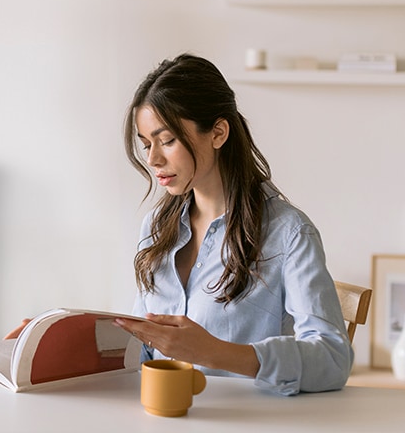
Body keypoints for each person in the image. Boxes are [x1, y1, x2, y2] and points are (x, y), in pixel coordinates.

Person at [112, 53, 352, 395]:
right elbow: (143, 348)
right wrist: (59, 342)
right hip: (163, 416)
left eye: (167, 141)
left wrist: (216, 353)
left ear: (218, 133)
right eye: (147, 144)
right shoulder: (156, 227)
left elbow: (332, 359)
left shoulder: (288, 233)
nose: (153, 159)